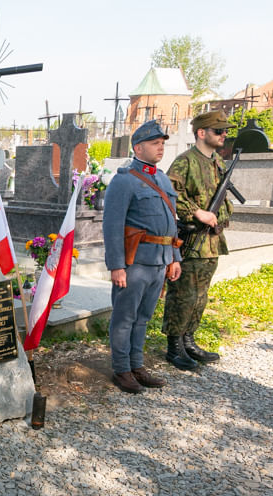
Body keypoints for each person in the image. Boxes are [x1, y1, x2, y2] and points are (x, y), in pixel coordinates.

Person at [103, 120, 182, 393]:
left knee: (144, 317)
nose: (160, 147)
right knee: (124, 317)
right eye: (154, 143)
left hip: (159, 262)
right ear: (138, 147)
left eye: (162, 143)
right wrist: (117, 266)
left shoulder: (162, 178)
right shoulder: (124, 181)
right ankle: (122, 369)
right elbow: (112, 226)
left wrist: (174, 257)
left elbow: (172, 222)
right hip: (134, 263)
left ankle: (137, 365)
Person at [162, 110, 235, 369]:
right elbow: (169, 192)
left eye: (225, 131)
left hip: (213, 241)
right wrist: (195, 211)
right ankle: (174, 346)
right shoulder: (185, 161)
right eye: (219, 131)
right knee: (183, 295)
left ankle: (189, 340)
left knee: (200, 295)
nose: (224, 134)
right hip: (192, 240)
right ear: (202, 133)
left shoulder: (218, 162)